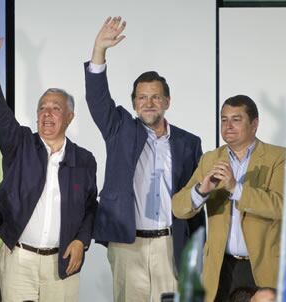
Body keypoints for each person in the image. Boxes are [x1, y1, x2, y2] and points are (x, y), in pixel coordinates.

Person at [0, 29, 98, 302]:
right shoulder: (20, 144)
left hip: (61, 263)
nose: (47, 113)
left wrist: (81, 241)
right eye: (42, 108)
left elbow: (90, 207)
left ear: (70, 117)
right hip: (19, 260)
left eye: (55, 108)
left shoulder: (84, 160)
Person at [85, 17, 205, 302]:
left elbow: (196, 200)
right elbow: (97, 98)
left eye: (155, 97)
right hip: (129, 243)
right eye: (141, 98)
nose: (148, 103)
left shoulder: (189, 143)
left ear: (167, 101)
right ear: (134, 103)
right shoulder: (119, 130)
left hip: (170, 245)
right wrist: (99, 50)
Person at [172, 95, 286, 302]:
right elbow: (179, 208)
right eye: (224, 120)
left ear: (255, 124)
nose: (228, 126)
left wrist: (236, 188)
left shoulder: (279, 158)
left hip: (263, 268)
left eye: (236, 119)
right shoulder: (210, 159)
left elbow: (281, 206)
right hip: (220, 268)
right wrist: (201, 190)